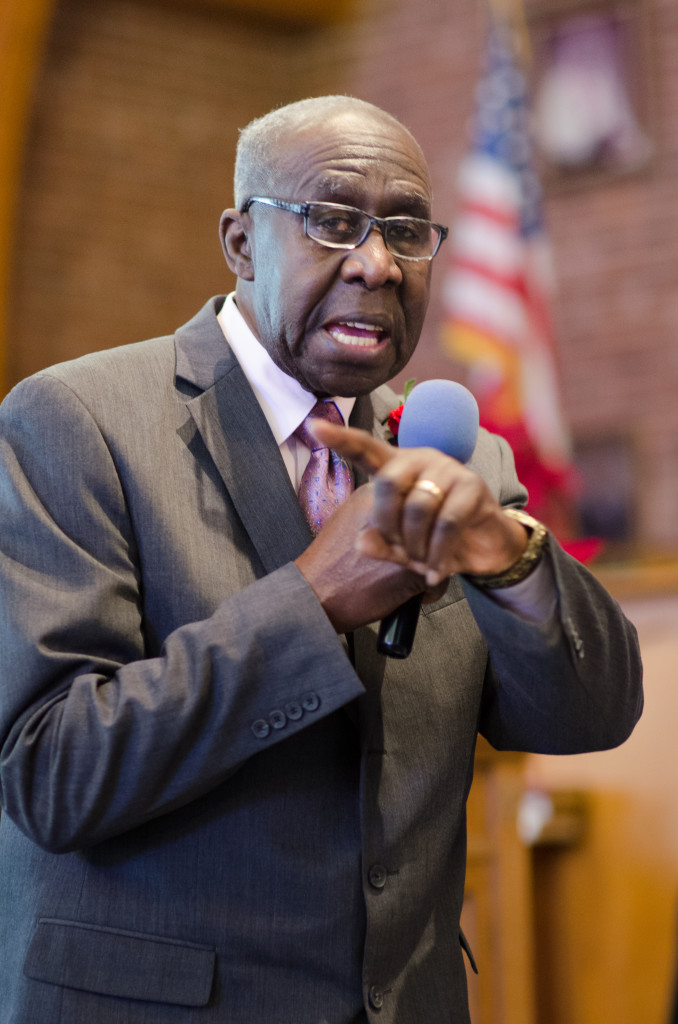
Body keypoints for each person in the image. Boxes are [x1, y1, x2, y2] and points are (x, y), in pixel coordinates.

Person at [0, 95, 642, 1024]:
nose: (377, 263)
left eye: (408, 229)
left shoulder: (455, 457)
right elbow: (51, 773)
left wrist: (514, 562)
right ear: (240, 240)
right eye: (334, 220)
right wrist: (314, 599)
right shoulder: (75, 422)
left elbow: (590, 712)